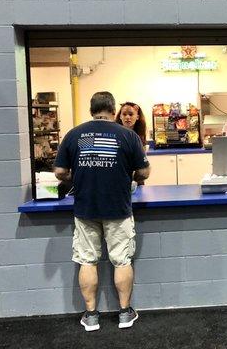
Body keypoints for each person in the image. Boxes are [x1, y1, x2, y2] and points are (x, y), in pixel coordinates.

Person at [54, 92, 150, 332]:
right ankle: (125, 313)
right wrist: (133, 176)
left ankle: (91, 316)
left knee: (87, 260)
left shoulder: (74, 134)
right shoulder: (128, 136)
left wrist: (76, 177)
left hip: (86, 208)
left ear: (91, 109)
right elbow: (145, 172)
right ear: (113, 108)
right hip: (118, 208)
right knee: (121, 260)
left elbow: (59, 172)